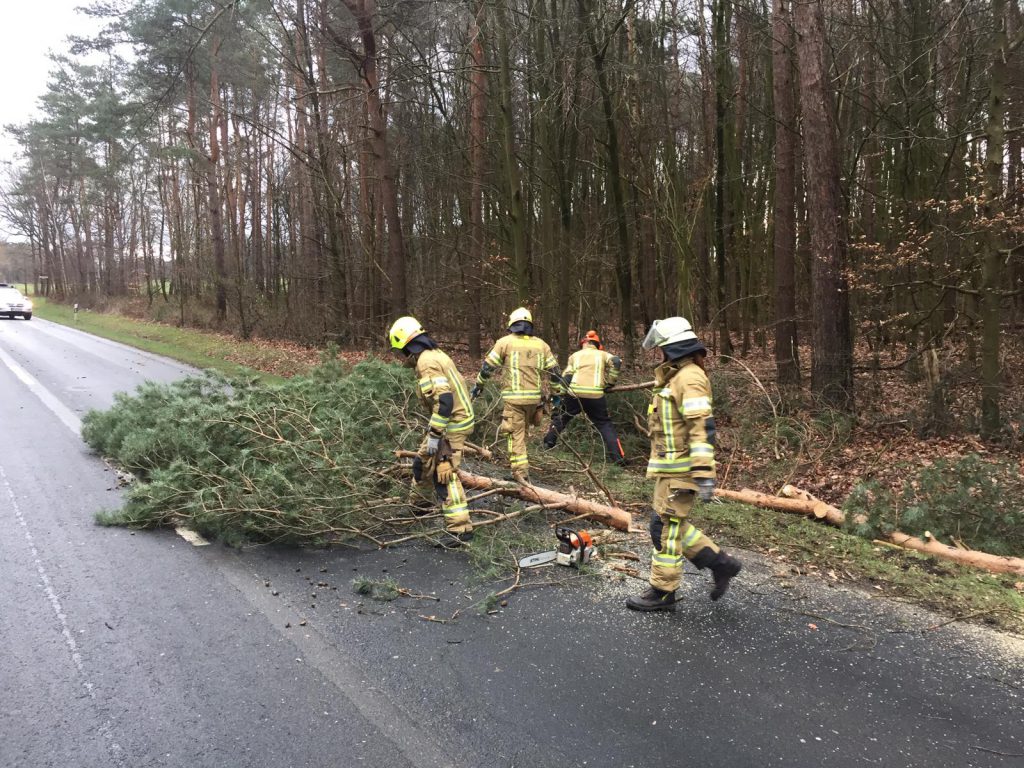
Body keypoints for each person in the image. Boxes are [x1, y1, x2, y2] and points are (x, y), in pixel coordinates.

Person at [626, 317, 741, 610]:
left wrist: (703, 471)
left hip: (683, 469)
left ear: (673, 348)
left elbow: (701, 425)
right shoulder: (677, 377)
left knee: (665, 530)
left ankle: (663, 593)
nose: (659, 354)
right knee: (666, 526)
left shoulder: (689, 378)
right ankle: (721, 563)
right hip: (671, 469)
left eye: (661, 348)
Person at [388, 316, 474, 544]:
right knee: (422, 462)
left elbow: (444, 401)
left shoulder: (427, 362)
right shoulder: (435, 355)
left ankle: (461, 530)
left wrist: (436, 436)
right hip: (450, 420)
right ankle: (420, 507)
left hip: (452, 423)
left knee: (444, 473)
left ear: (407, 345)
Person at [471, 307, 561, 482]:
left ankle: (520, 474)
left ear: (512, 324)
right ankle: (522, 468)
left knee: (514, 434)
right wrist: (556, 395)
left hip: (514, 399)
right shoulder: (541, 345)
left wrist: (479, 386)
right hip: (534, 400)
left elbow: (487, 367)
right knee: (523, 432)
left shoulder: (505, 342)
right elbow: (555, 372)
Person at [543, 330, 626, 466]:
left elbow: (567, 377)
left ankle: (548, 442)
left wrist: (560, 395)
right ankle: (618, 458)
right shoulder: (603, 355)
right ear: (597, 345)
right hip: (595, 395)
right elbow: (616, 361)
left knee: (562, 418)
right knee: (604, 424)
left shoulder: (575, 356)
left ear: (584, 343)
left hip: (574, 394)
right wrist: (610, 383)